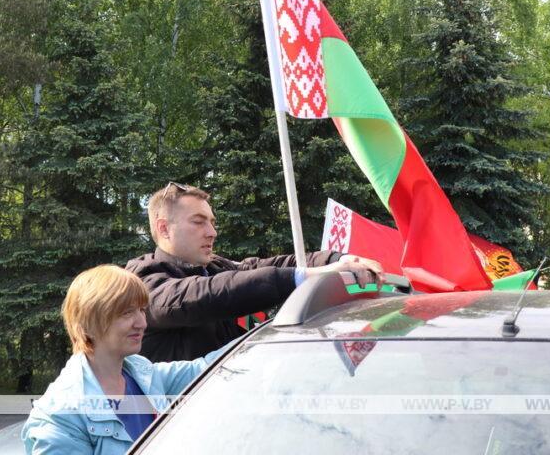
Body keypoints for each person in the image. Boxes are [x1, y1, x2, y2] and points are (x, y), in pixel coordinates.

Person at [126, 182, 382, 362]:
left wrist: (339, 259)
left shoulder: (215, 268)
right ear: (164, 229)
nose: (212, 232)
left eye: (212, 222)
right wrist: (308, 276)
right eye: (198, 221)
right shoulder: (141, 282)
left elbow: (276, 265)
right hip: (177, 424)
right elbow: (209, 293)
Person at [23, 265, 228, 455]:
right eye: (127, 313)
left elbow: (211, 367)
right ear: (87, 324)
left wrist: (258, 337)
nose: (142, 323)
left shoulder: (144, 375)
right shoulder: (60, 415)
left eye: (141, 310)